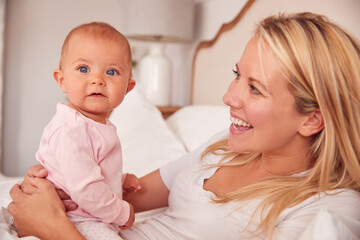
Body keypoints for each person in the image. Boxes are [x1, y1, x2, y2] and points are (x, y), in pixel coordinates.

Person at [8, 12, 360, 239]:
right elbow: (127, 196)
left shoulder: (326, 209)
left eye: (255, 88)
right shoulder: (228, 143)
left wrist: (54, 228)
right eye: (237, 75)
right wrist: (54, 189)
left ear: (313, 118)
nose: (228, 97)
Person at [12, 22, 140, 239]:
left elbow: (89, 168)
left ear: (127, 88)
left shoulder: (93, 125)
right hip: (76, 218)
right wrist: (122, 212)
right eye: (83, 69)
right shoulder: (70, 129)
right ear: (61, 80)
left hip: (86, 212)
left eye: (111, 72)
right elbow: (85, 189)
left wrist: (120, 179)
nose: (97, 80)